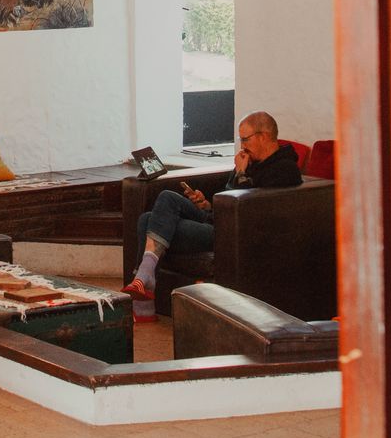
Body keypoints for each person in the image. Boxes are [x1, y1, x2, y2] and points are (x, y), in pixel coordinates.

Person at [121, 112, 303, 320]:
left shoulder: (285, 169)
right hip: (216, 218)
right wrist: (205, 203)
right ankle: (145, 281)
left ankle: (143, 294)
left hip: (230, 233)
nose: (242, 146)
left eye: (245, 139)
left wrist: (241, 174)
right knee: (163, 201)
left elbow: (248, 207)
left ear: (263, 136)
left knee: (149, 222)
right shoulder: (250, 161)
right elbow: (228, 195)